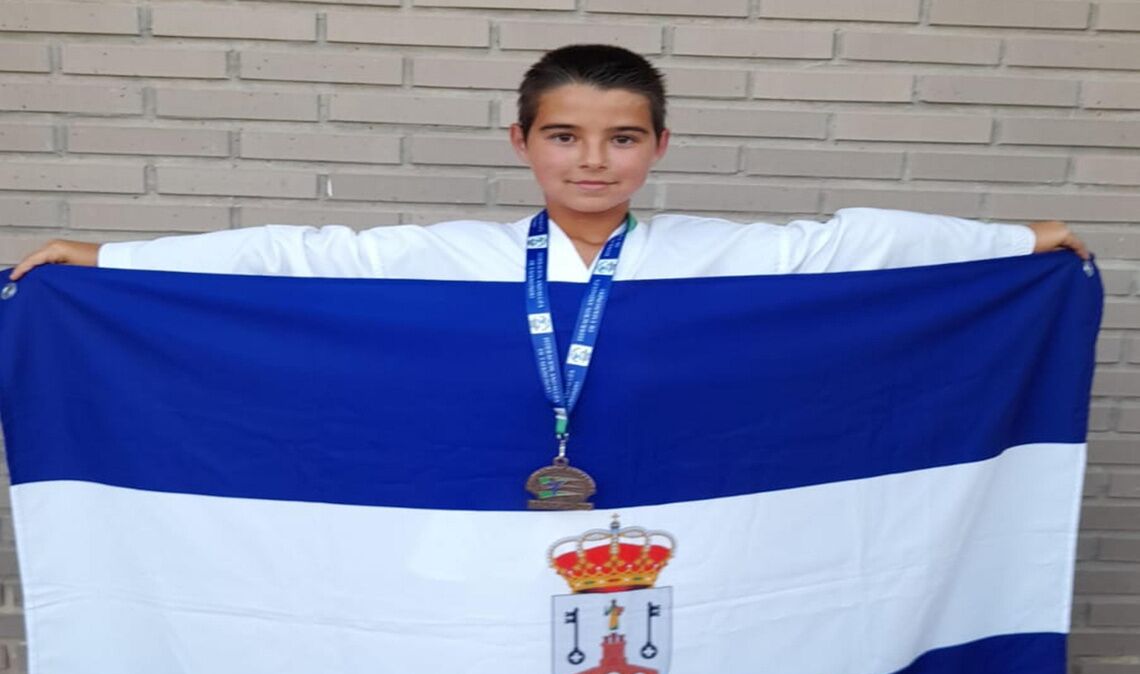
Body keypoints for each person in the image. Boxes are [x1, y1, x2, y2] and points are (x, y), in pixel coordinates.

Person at [11, 44, 1088, 284]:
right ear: (521, 142)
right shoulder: (460, 253)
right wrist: (109, 259)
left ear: (658, 148)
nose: (594, 160)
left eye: (624, 138)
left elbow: (848, 243)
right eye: (564, 135)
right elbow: (304, 255)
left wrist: (1018, 242)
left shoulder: (712, 252)